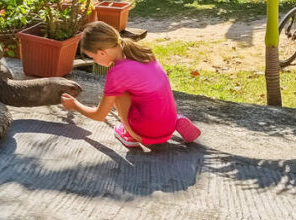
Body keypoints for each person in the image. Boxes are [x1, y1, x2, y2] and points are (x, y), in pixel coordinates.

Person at [60, 21, 200, 149]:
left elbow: (99, 115)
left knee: (118, 93)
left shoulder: (117, 73)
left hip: (147, 133)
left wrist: (75, 105)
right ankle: (175, 120)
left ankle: (130, 133)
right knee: (145, 95)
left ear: (102, 52)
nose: (95, 61)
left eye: (93, 57)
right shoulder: (142, 53)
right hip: (169, 123)